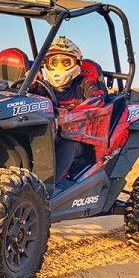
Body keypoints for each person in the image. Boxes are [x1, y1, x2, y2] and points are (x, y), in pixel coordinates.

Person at [34, 36, 105, 181]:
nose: (59, 68)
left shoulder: (84, 84)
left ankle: (49, 187)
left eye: (66, 62)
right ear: (46, 64)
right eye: (54, 62)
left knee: (69, 144)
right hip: (48, 134)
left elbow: (97, 98)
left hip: (79, 138)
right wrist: (32, 85)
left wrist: (72, 114)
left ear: (77, 64)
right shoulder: (42, 86)